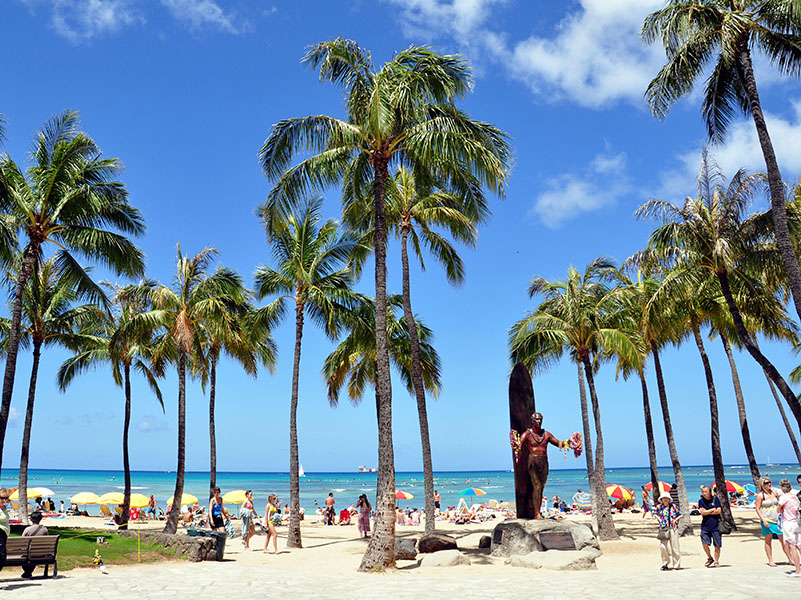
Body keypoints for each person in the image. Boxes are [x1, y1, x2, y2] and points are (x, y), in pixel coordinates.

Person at [516, 412, 565, 520]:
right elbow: (519, 444)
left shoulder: (546, 434)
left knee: (541, 488)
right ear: (533, 421)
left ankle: (538, 512)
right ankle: (536, 513)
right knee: (537, 486)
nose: (539, 421)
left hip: (544, 461)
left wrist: (568, 443)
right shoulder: (528, 434)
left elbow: (557, 443)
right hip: (533, 460)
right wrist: (516, 444)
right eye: (537, 419)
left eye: (540, 419)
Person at [755, 476, 791, 567]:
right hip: (767, 519)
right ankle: (770, 560)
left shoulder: (774, 492)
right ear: (762, 485)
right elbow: (758, 509)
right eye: (766, 483)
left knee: (783, 540)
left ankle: (790, 558)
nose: (769, 484)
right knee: (768, 540)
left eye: (769, 482)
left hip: (777, 520)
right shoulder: (760, 495)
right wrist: (763, 520)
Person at [653, 491, 682, 571]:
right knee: (663, 546)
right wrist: (658, 518)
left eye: (667, 498)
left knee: (675, 547)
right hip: (663, 529)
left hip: (673, 528)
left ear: (669, 499)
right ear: (661, 499)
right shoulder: (659, 507)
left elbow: (681, 514)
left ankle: (676, 564)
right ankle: (665, 562)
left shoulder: (674, 507)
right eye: (664, 498)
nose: (665, 500)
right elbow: (654, 513)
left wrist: (676, 519)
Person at [778, 479, 801, 577]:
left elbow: (778, 509)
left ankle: (798, 570)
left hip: (788, 523)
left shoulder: (783, 497)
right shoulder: (795, 497)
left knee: (792, 546)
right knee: (799, 545)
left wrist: (782, 510)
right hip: (797, 522)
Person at [698, 486, 722, 568]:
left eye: (705, 492)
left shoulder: (715, 499)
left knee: (717, 545)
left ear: (710, 492)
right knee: (704, 543)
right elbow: (702, 512)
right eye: (703, 492)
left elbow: (719, 511)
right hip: (705, 526)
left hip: (716, 526)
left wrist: (707, 512)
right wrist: (712, 510)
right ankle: (710, 557)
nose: (704, 493)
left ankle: (716, 561)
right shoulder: (701, 501)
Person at [20, 510, 48, 578]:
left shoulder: (28, 529)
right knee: (33, 553)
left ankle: (27, 572)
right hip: (41, 553)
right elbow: (46, 542)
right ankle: (28, 572)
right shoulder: (44, 529)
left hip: (29, 553)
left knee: (28, 554)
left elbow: (22, 541)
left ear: (31, 519)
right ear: (40, 519)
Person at [0, 488, 9, 575]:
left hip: (4, 535)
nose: (4, 500)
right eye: (2, 498)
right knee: (1, 557)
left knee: (2, 557)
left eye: (6, 498)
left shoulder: (4, 508)